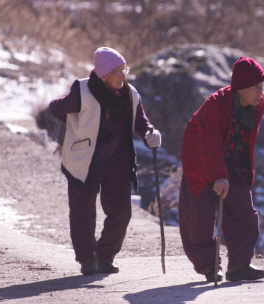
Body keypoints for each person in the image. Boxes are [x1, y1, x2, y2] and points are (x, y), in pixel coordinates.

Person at [49, 47, 161, 275]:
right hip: (84, 159)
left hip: (118, 161)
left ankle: (105, 257)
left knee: (121, 212)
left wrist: (150, 133)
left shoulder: (130, 94)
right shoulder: (82, 91)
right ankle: (87, 259)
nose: (123, 75)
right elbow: (56, 108)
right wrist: (73, 122)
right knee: (82, 211)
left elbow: (141, 122)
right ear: (103, 75)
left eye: (124, 70)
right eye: (117, 71)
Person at [178, 56, 264, 282]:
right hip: (200, 161)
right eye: (256, 86)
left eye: (262, 86)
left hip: (235, 163)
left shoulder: (257, 105)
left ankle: (239, 266)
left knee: (243, 212)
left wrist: (239, 173)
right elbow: (207, 143)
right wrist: (218, 175)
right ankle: (209, 266)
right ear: (241, 87)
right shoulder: (215, 105)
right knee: (199, 219)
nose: (261, 91)